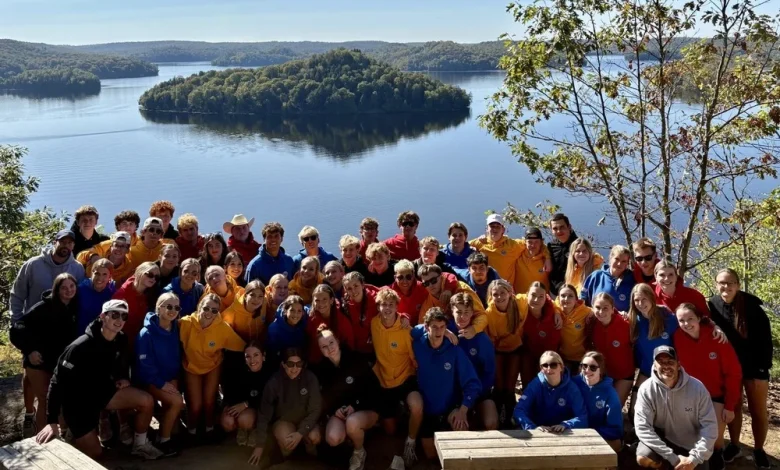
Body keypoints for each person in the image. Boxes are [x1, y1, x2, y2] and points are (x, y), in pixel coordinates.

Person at [35, 300, 164, 460]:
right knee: (95, 454)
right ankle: (71, 435)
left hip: (104, 393)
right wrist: (52, 421)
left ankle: (140, 445)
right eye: (114, 314)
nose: (119, 320)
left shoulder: (121, 339)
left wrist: (122, 377)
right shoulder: (79, 347)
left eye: (124, 316)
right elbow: (57, 381)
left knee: (146, 401)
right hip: (78, 403)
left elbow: (121, 363)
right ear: (103, 316)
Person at [708, 268, 773, 469]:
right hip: (729, 367)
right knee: (733, 408)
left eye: (730, 283)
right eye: (721, 282)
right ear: (716, 284)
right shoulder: (713, 305)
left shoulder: (752, 308)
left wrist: (762, 369)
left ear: (737, 285)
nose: (725, 286)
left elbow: (765, 341)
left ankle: (759, 449)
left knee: (758, 411)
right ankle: (735, 445)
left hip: (755, 366)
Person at [674, 303, 742, 470]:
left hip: (715, 395)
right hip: (689, 393)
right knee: (689, 433)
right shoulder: (677, 337)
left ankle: (717, 453)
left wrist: (730, 406)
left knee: (714, 438)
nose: (686, 324)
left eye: (690, 319)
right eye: (681, 320)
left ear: (699, 318)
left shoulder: (716, 337)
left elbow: (734, 373)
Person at [10, 273, 80, 432]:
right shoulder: (43, 307)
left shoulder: (75, 306)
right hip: (38, 361)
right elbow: (16, 329)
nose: (69, 290)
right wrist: (29, 351)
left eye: (72, 286)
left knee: (60, 400)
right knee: (45, 400)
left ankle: (59, 437)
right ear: (57, 289)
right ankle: (42, 440)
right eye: (64, 287)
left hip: (59, 362)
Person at [414, 307, 482, 460]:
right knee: (431, 457)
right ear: (426, 327)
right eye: (434, 327)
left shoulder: (454, 350)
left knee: (462, 429)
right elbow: (412, 331)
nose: (439, 331)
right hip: (427, 411)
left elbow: (472, 383)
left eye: (442, 327)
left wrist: (463, 410)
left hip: (450, 409)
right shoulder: (417, 346)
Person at [635, 345, 717, 470]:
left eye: (670, 362)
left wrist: (693, 459)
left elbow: (710, 428)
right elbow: (643, 428)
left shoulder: (698, 388)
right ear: (654, 366)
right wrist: (673, 458)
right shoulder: (646, 389)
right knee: (643, 458)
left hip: (692, 448)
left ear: (678, 365)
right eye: (661, 362)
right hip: (663, 444)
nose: (666, 366)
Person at [180, 293, 246, 440]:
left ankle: (210, 429)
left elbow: (242, 346)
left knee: (209, 401)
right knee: (195, 405)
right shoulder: (185, 323)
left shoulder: (222, 328)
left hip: (212, 366)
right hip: (191, 367)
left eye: (214, 310)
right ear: (199, 307)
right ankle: (191, 432)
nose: (209, 313)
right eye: (206, 308)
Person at [315, 325, 380, 470]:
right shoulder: (322, 369)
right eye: (324, 346)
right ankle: (352, 442)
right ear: (320, 350)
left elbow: (373, 390)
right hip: (341, 412)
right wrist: (334, 410)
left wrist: (355, 406)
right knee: (332, 438)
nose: (329, 348)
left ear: (337, 341)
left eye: (331, 342)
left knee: (352, 423)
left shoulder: (355, 359)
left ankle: (359, 452)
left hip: (365, 410)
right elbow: (325, 397)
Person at [371, 289, 422, 468]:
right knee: (390, 430)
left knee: (417, 406)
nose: (387, 308)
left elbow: (414, 356)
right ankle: (401, 415)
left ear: (397, 307)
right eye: (383, 304)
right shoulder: (374, 324)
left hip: (405, 377)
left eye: (391, 305)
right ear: (378, 306)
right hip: (384, 381)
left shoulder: (404, 328)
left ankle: (411, 442)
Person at [248, 348, 322, 467]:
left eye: (299, 364)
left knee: (314, 436)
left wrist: (300, 433)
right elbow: (264, 414)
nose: (294, 369)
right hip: (284, 421)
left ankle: (311, 456)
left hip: (306, 420)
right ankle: (288, 459)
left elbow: (316, 409)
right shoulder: (274, 382)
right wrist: (260, 445)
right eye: (290, 364)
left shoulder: (310, 378)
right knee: (287, 442)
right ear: (283, 364)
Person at [134, 293, 184, 456]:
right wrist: (162, 384)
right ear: (158, 308)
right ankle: (163, 440)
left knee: (175, 417)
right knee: (177, 402)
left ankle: (165, 434)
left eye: (176, 307)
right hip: (152, 381)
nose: (172, 311)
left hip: (171, 378)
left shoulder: (177, 327)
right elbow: (145, 366)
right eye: (168, 306)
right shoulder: (146, 333)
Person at [10, 229, 85, 324]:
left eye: (70, 243)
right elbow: (17, 294)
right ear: (54, 242)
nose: (66, 245)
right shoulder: (33, 264)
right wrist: (16, 321)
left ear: (73, 245)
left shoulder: (77, 268)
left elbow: (78, 299)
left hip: (61, 326)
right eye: (62, 242)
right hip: (33, 324)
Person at [449, 293, 498, 431]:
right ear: (452, 310)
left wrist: (473, 398)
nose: (462, 316)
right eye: (458, 312)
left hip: (478, 391)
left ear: (472, 313)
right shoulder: (445, 332)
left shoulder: (481, 339)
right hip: (454, 392)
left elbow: (489, 373)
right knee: (459, 425)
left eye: (466, 312)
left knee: (491, 422)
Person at [484, 279, 526, 427]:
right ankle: (497, 416)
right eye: (495, 294)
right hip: (498, 350)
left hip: (515, 348)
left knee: (510, 385)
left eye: (503, 293)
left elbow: (541, 294)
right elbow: (491, 338)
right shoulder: (489, 312)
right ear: (491, 296)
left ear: (510, 293)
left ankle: (510, 417)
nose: (499, 297)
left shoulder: (519, 302)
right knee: (499, 385)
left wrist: (557, 313)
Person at [469, 214, 551, 289]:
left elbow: (536, 243)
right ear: (487, 229)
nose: (495, 229)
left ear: (503, 229)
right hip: (485, 289)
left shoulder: (513, 245)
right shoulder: (479, 243)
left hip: (506, 292)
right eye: (492, 226)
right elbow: (461, 246)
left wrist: (548, 257)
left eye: (498, 226)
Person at [513, 350, 588, 432]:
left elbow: (583, 416)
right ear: (541, 369)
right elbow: (519, 410)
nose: (549, 369)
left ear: (561, 367)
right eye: (545, 365)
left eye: (553, 365)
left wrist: (567, 424)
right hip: (539, 430)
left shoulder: (572, 388)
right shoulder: (535, 385)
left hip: (563, 432)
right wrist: (532, 427)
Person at [585, 293, 635, 405]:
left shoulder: (625, 324)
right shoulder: (592, 323)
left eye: (605, 308)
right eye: (597, 308)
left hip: (623, 374)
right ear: (592, 308)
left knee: (613, 408)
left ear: (613, 309)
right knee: (597, 408)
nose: (601, 312)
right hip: (603, 374)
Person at [221, 341, 271, 447]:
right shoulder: (238, 372)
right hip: (242, 406)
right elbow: (231, 393)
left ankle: (253, 430)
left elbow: (268, 399)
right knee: (227, 421)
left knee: (245, 419)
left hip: (259, 410)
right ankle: (242, 430)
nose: (252, 360)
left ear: (264, 356)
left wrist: (246, 404)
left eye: (256, 355)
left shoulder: (270, 373)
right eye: (248, 356)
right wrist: (230, 406)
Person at [573, 351, 623, 452]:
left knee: (615, 444)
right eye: (584, 366)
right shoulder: (573, 383)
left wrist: (590, 433)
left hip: (598, 435)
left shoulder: (609, 393)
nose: (587, 370)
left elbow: (616, 430)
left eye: (593, 367)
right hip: (575, 430)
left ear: (601, 370)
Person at [519, 281, 562, 390]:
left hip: (546, 355)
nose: (536, 300)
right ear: (527, 294)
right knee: (525, 361)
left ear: (546, 298)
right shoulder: (521, 309)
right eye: (533, 295)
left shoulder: (553, 316)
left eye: (540, 297)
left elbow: (553, 346)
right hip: (527, 353)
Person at [417, 264, 487, 329]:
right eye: (426, 283)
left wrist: (473, 329)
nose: (430, 285)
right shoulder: (427, 303)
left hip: (471, 332)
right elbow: (422, 327)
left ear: (441, 277)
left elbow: (481, 315)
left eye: (433, 280)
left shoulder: (461, 289)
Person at [112, 261, 160, 349]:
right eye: (150, 274)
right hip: (118, 342)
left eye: (156, 277)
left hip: (136, 340)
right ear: (139, 272)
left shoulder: (150, 294)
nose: (153, 279)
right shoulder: (123, 294)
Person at [306, 284, 354, 364]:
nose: (321, 304)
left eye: (324, 299)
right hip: (320, 364)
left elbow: (350, 344)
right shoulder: (311, 319)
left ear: (331, 300)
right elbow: (312, 346)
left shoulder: (341, 320)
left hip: (342, 361)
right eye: (317, 300)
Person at [580, 245, 635, 311]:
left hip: (621, 320)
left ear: (627, 263)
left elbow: (636, 308)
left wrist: (627, 315)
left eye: (624, 261)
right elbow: (582, 299)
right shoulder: (596, 276)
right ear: (610, 258)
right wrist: (590, 312)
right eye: (617, 259)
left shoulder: (632, 280)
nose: (619, 264)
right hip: (595, 319)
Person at [341, 272, 380, 362]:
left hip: (378, 348)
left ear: (362, 285)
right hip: (357, 351)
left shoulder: (376, 299)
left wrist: (403, 316)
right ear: (345, 290)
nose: (353, 291)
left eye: (356, 286)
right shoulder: (345, 305)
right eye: (349, 288)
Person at [555, 284, 593, 373]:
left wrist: (593, 313)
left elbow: (599, 309)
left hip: (580, 358)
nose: (566, 299)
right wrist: (556, 311)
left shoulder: (584, 311)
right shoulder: (554, 308)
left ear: (576, 299)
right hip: (561, 357)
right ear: (558, 298)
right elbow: (549, 300)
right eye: (563, 296)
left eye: (570, 296)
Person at [77, 258, 117, 334]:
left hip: (100, 334)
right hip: (80, 333)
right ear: (92, 273)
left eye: (104, 274)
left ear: (110, 276)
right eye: (97, 273)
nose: (100, 278)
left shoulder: (112, 292)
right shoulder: (81, 289)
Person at [266, 295, 308, 363]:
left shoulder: (304, 322)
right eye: (292, 310)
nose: (295, 314)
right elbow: (272, 354)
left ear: (303, 312)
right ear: (285, 311)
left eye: (299, 311)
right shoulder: (274, 329)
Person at [547, 213, 578, 296]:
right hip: (554, 293)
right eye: (555, 228)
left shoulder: (579, 246)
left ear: (569, 227)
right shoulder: (550, 246)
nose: (559, 231)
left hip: (573, 294)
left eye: (562, 227)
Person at [391, 260, 430, 324]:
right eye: (400, 277)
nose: (405, 281)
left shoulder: (423, 288)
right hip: (399, 328)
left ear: (413, 276)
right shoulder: (389, 291)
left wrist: (448, 288)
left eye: (408, 277)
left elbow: (441, 277)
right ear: (395, 277)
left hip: (421, 327)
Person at [513, 227, 549, 294]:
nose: (533, 245)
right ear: (524, 242)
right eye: (530, 242)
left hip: (541, 301)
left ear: (541, 242)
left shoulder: (547, 259)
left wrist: (548, 256)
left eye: (536, 242)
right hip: (521, 301)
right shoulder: (517, 255)